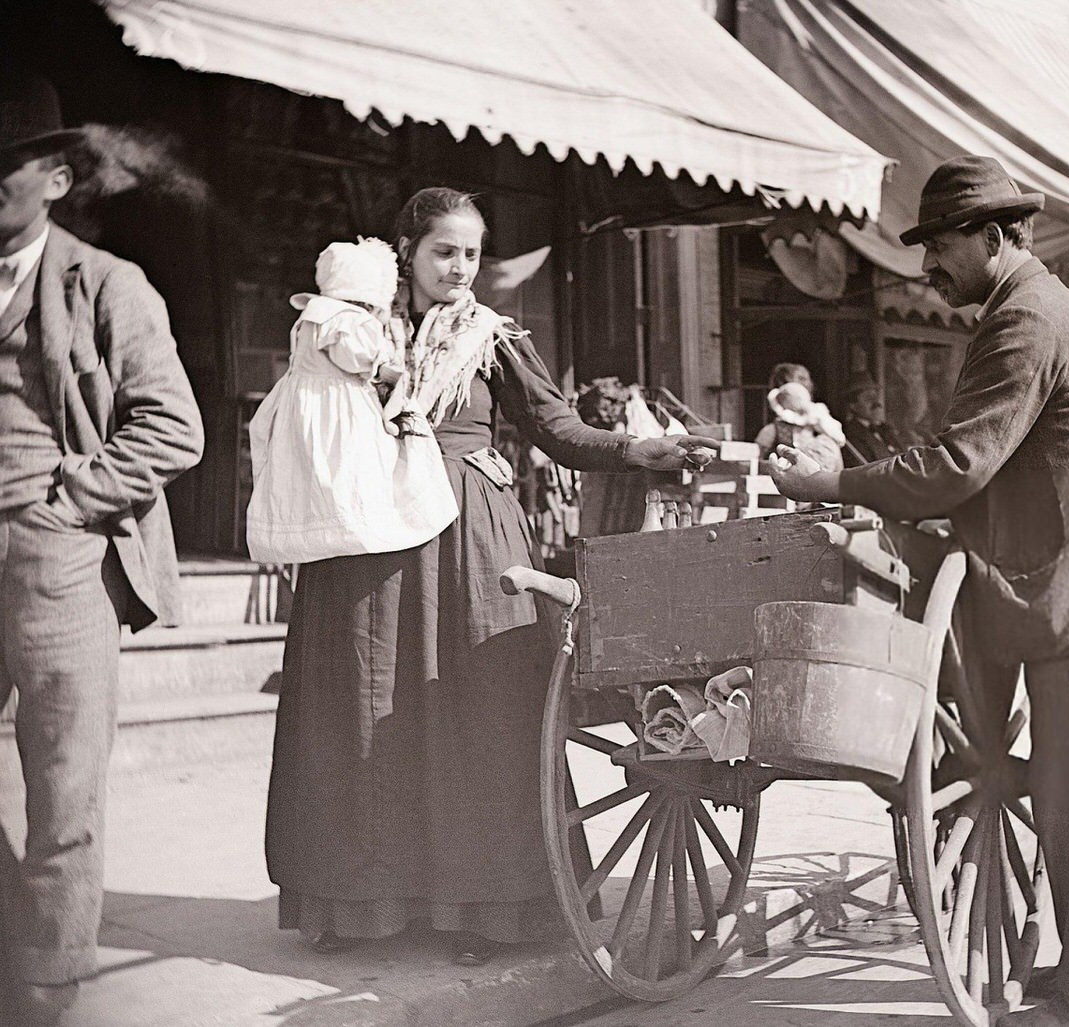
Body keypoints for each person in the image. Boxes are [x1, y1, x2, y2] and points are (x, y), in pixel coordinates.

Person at [767, 155, 1069, 1027]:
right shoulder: (1031, 306)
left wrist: (831, 483)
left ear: (995, 237)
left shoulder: (1025, 317)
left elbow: (960, 462)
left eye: (941, 247)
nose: (927, 265)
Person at [263, 187, 717, 966]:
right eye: (445, 250)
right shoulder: (351, 325)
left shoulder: (489, 337)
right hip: (362, 538)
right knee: (356, 709)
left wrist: (635, 450)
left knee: (478, 711)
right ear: (406, 250)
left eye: (472, 253)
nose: (461, 267)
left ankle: (486, 908)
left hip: (464, 539)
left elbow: (557, 428)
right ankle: (352, 900)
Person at [0, 74, 203, 1025]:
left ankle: (44, 985)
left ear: (54, 178)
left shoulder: (107, 284)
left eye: (4, 167)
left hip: (61, 560)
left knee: (63, 783)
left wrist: (71, 502)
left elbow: (174, 428)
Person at [245, 237, 457, 564]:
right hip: (337, 405)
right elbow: (356, 356)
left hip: (304, 405)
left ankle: (317, 531)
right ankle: (356, 527)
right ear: (369, 302)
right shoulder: (348, 320)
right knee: (353, 465)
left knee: (309, 471)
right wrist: (384, 367)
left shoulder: (315, 316)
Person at [754, 362, 843, 472]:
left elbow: (838, 466)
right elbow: (756, 462)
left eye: (807, 380)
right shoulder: (775, 428)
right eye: (801, 379)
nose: (808, 384)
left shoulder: (820, 423)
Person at [841, 375, 916, 466]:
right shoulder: (850, 435)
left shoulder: (885, 429)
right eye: (868, 398)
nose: (876, 402)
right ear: (853, 406)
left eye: (875, 397)